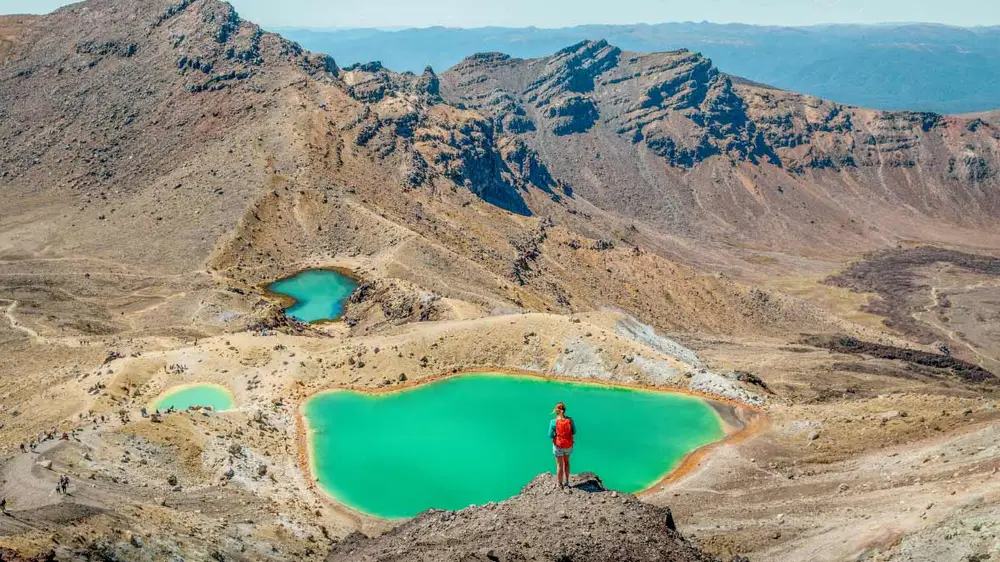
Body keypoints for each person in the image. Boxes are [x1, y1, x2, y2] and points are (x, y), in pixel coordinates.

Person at [548, 402, 576, 489]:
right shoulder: (570, 420)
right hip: (568, 445)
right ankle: (567, 482)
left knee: (559, 465)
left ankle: (560, 484)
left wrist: (556, 436)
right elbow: (574, 431)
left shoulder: (553, 422)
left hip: (558, 446)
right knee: (566, 462)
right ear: (564, 410)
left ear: (556, 411)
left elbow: (550, 435)